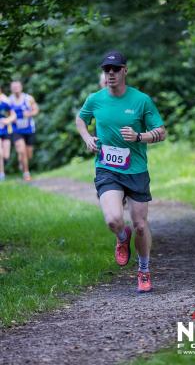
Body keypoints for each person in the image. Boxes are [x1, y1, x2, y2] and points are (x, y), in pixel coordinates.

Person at [76, 51, 166, 293]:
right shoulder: (95, 99)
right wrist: (87, 138)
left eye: (115, 69)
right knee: (113, 219)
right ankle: (121, 237)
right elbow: (80, 119)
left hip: (135, 170)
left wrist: (139, 136)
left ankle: (144, 270)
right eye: (107, 70)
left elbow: (161, 131)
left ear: (125, 70)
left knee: (139, 224)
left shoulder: (141, 100)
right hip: (107, 168)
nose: (111, 74)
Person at [9, 81, 39, 181]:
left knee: (29, 154)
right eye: (14, 87)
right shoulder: (9, 100)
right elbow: (5, 113)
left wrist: (29, 114)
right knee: (22, 151)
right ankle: (26, 173)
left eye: (17, 86)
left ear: (21, 87)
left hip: (29, 129)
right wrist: (10, 118)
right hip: (16, 130)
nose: (16, 88)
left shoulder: (28, 98)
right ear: (11, 88)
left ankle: (21, 161)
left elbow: (36, 110)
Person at [0, 87, 16, 181]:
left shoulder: (5, 103)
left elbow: (13, 115)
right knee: (0, 153)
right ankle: (1, 174)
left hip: (6, 131)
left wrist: (7, 120)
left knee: (6, 155)